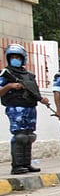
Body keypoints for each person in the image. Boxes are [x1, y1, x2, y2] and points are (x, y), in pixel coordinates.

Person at [0, 43, 51, 174]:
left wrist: (42, 99)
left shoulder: (29, 75)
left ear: (23, 58)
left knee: (29, 136)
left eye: (18, 57)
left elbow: (34, 91)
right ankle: (17, 166)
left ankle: (26, 164)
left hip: (30, 107)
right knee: (20, 136)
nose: (15, 59)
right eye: (13, 57)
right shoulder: (6, 74)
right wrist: (10, 86)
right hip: (16, 107)